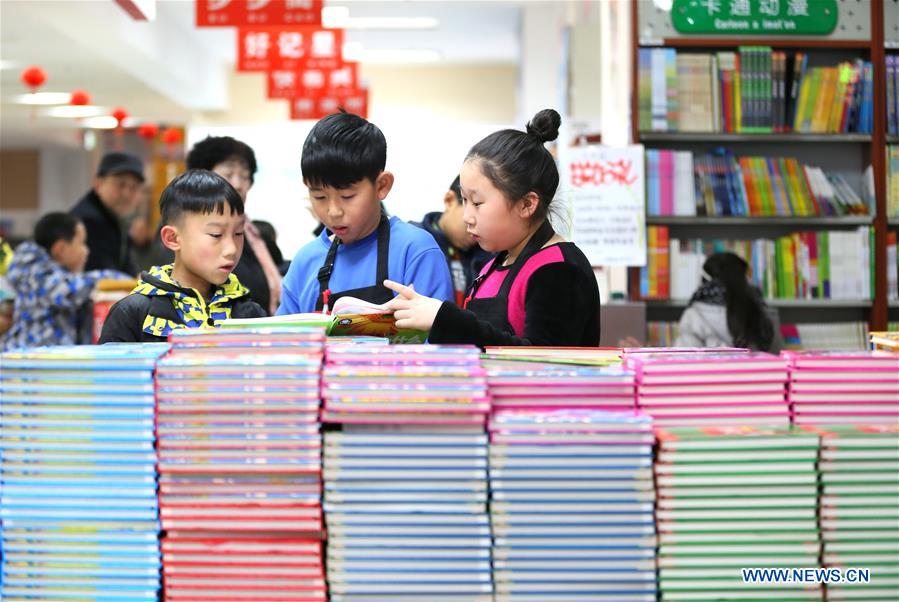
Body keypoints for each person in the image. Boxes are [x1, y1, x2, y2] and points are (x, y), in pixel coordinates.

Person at [384, 109, 601, 347]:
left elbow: (545, 362)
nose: (467, 216)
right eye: (464, 201)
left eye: (477, 203)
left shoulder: (557, 269)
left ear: (527, 204)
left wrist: (444, 318)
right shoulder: (496, 263)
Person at [277, 111, 453, 314]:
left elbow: (439, 340)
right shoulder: (305, 262)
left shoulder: (415, 251)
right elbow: (284, 341)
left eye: (347, 196)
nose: (333, 212)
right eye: (320, 197)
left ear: (381, 186)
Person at [99, 170, 265, 343]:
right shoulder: (132, 314)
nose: (231, 249)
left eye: (238, 233)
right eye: (216, 234)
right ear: (173, 238)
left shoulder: (250, 313)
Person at [183, 136, 282, 315]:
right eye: (228, 175)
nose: (237, 184)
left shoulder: (256, 235)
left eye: (244, 176)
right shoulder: (187, 231)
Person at [3, 213, 123, 350]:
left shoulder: (54, 273)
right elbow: (65, 291)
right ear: (60, 248)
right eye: (82, 243)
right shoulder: (32, 271)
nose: (87, 251)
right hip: (26, 361)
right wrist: (117, 279)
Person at [674, 252, 782, 352]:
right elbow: (778, 360)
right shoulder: (764, 312)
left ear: (705, 280)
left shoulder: (693, 316)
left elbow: (683, 361)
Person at [413, 175, 493, 306]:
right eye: (475, 215)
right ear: (449, 201)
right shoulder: (412, 243)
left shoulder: (489, 255)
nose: (477, 228)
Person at [70, 151, 144, 274]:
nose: (126, 194)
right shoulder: (89, 221)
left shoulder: (114, 218)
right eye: (120, 184)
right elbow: (106, 278)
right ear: (98, 184)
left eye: (134, 187)